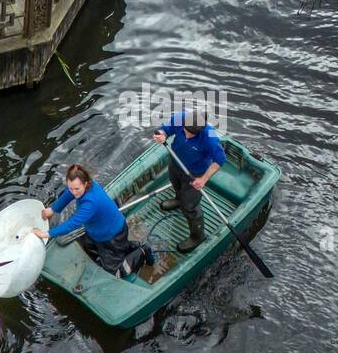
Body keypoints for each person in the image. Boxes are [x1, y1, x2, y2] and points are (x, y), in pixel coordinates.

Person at [33, 164, 137, 276]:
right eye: (71, 187)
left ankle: (141, 252)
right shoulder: (84, 186)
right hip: (95, 231)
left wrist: (46, 234)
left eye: (77, 189)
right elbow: (69, 193)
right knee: (91, 248)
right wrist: (53, 209)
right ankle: (125, 247)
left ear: (85, 183)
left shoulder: (90, 202)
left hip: (111, 235)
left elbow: (73, 223)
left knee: (113, 270)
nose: (74, 192)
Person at [153, 108, 227, 253]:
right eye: (185, 130)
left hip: (195, 173)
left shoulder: (210, 137)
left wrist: (204, 179)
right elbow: (166, 128)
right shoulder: (181, 116)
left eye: (190, 133)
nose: (186, 134)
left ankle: (198, 236)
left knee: (190, 206)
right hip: (175, 161)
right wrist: (162, 134)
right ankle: (178, 199)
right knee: (175, 184)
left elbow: (220, 160)